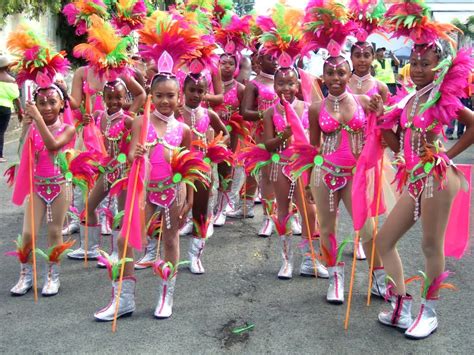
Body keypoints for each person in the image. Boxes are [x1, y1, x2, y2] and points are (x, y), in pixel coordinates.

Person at [375, 1, 474, 339]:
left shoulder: (439, 95)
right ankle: (401, 306)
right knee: (385, 240)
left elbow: (472, 124)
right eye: (414, 62)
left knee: (432, 247)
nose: (417, 68)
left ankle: (429, 313)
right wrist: (379, 115)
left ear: (438, 66)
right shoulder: (409, 99)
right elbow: (392, 141)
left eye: (425, 64)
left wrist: (448, 154)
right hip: (413, 180)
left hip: (436, 178)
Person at [6, 26, 76, 297]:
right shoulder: (33, 123)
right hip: (37, 187)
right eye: (42, 102)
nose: (46, 107)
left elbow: (52, 146)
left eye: (52, 102)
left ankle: (53, 276)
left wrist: (37, 121)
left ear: (61, 105)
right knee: (27, 234)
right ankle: (25, 275)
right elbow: (22, 152)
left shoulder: (67, 129)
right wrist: (25, 126)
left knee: (54, 232)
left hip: (59, 186)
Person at [0, 54, 22, 162]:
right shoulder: (11, 80)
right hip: (5, 109)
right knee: (1, 131)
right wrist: (20, 112)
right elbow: (16, 98)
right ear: (7, 66)